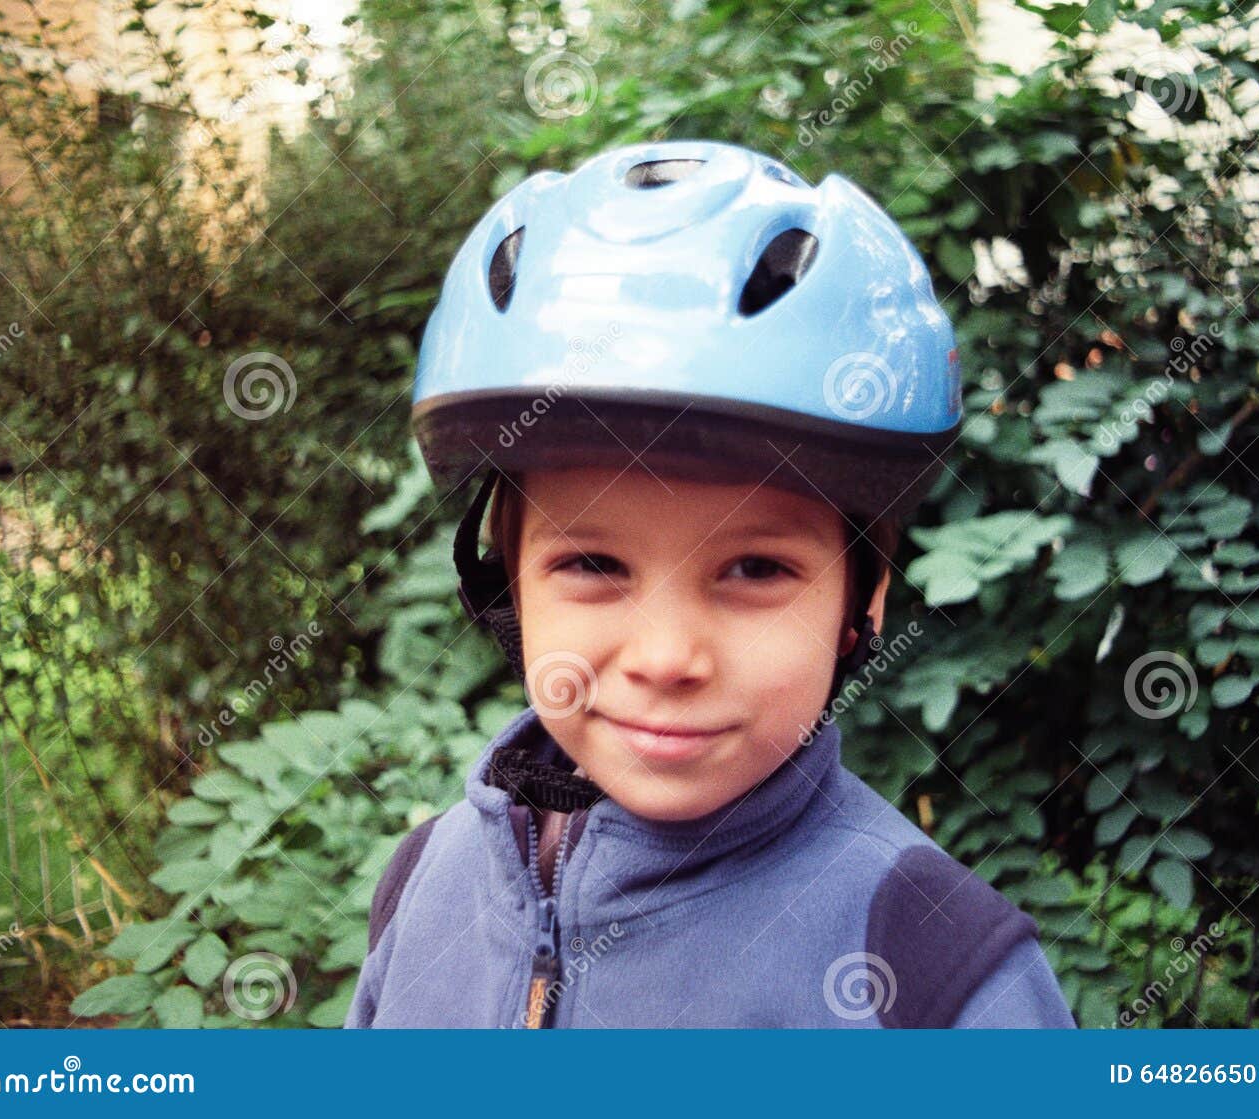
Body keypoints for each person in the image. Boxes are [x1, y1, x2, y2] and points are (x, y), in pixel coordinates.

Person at [344, 139, 1075, 1028]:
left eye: (756, 570)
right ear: (509, 585)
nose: (666, 657)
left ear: (864, 599)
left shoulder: (938, 975)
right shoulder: (426, 883)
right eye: (592, 564)